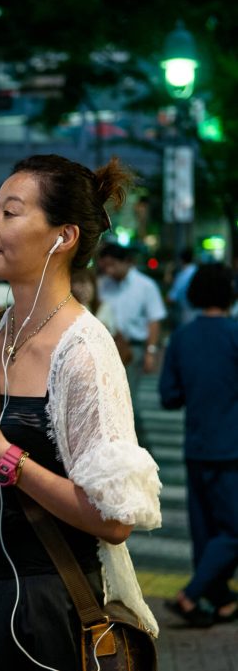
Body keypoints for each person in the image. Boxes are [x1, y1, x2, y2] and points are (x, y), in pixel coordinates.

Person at [0, 154, 162, 670]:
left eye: (10, 213)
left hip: (50, 607)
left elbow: (115, 521)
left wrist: (5, 456)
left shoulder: (85, 351)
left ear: (63, 235)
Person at [159, 262, 238, 627]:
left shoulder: (182, 337)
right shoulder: (235, 334)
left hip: (196, 446)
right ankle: (190, 595)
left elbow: (169, 396)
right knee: (233, 531)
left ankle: (220, 599)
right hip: (232, 449)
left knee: (205, 530)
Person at [97, 243, 167, 442]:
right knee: (108, 403)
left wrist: (150, 352)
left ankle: (139, 447)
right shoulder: (103, 284)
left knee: (128, 404)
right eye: (105, 266)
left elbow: (154, 320)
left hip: (132, 350)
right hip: (105, 350)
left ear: (127, 262)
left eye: (112, 265)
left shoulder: (145, 286)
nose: (109, 270)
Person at [166, 248, 198, 328]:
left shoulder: (182, 275)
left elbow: (171, 298)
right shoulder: (198, 271)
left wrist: (168, 270)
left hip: (187, 312)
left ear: (181, 260)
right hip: (201, 312)